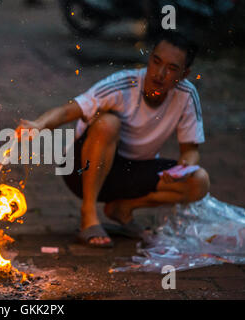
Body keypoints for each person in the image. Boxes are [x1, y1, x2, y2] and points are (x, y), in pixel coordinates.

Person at [16, 30, 210, 247]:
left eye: (172, 68)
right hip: (81, 170)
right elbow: (68, 111)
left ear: (184, 74)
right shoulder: (122, 84)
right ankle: (88, 216)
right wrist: (39, 124)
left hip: (131, 172)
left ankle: (122, 208)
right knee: (108, 123)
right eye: (156, 62)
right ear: (150, 59)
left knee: (199, 181)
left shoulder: (187, 95)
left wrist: (185, 167)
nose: (160, 73)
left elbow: (191, 149)